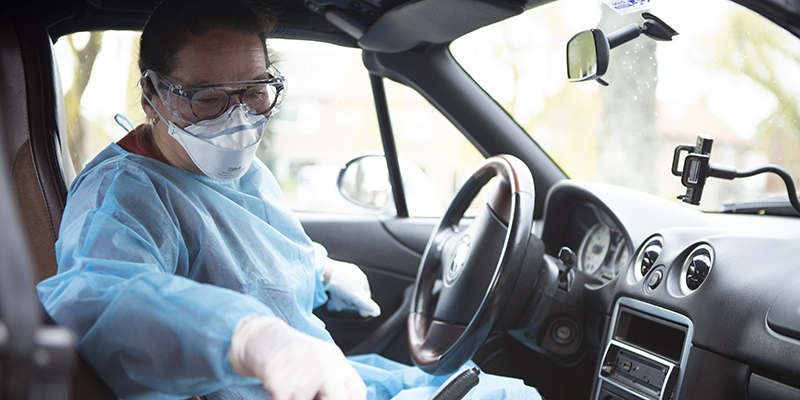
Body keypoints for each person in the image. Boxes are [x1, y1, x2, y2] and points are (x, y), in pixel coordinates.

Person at [36, 0, 542, 399]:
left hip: (334, 375)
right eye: (207, 99)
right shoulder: (122, 194)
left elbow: (256, 253)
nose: (237, 120)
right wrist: (249, 340)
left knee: (509, 391)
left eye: (255, 92)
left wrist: (321, 270)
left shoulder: (242, 171)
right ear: (152, 97)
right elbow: (98, 297)